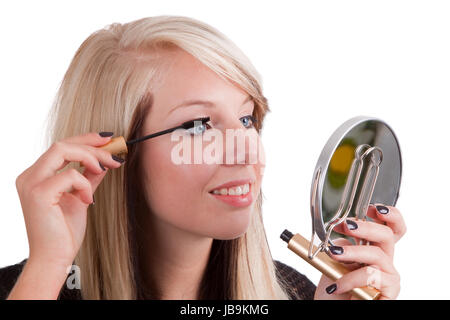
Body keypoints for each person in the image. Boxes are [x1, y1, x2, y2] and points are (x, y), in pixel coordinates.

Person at [0, 16, 406, 300]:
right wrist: (48, 266)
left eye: (247, 118)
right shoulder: (26, 289)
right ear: (110, 155)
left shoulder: (296, 293)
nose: (247, 149)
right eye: (198, 126)